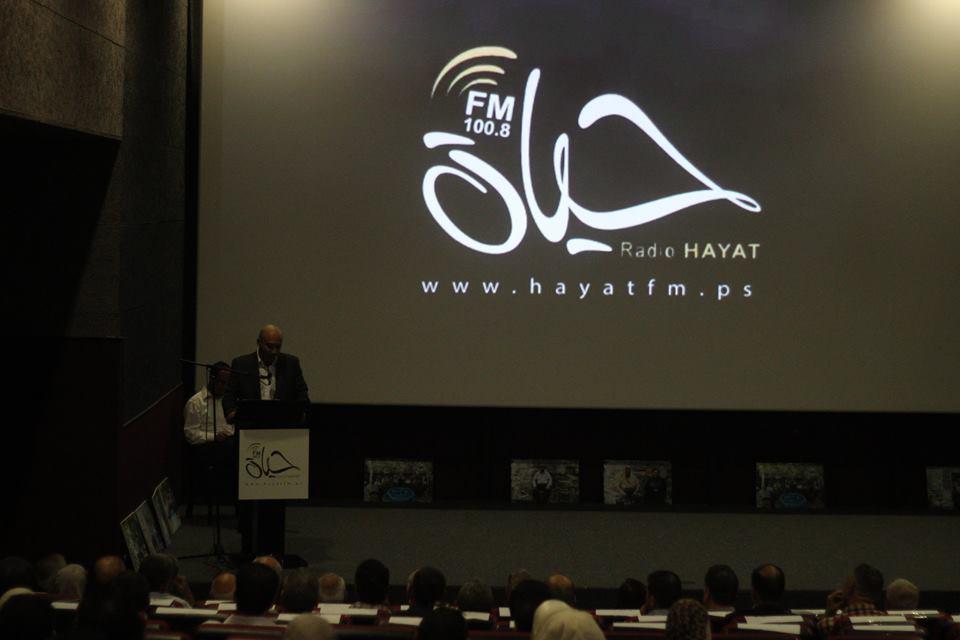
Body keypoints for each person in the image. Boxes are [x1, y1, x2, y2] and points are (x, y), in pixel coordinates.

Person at [222, 324, 309, 424]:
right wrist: (231, 413)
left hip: (282, 424)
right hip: (250, 424)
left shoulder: (291, 364)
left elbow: (302, 393)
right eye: (270, 346)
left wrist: (302, 413)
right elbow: (229, 395)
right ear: (259, 343)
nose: (274, 351)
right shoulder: (241, 364)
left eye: (278, 347)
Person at [818, 564, 885, 636]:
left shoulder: (831, 624)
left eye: (845, 583)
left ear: (850, 587)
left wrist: (828, 613)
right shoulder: (888, 622)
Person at [184, 361, 233, 444]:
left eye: (227, 383)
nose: (225, 387)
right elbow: (191, 434)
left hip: (230, 444)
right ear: (211, 378)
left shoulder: (228, 400)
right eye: (221, 382)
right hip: (208, 447)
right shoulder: (196, 402)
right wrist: (214, 436)